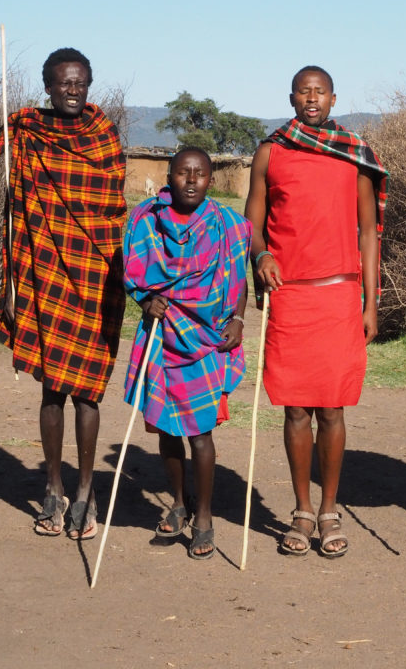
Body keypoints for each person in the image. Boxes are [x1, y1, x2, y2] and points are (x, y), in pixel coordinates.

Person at [0, 48, 126, 540]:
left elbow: (113, 208)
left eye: (81, 82)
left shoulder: (103, 137)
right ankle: (54, 488)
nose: (73, 90)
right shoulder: (29, 132)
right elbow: (9, 203)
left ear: (89, 84)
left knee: (87, 391)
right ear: (47, 86)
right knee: (51, 388)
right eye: (64, 83)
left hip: (95, 276)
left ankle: (86, 492)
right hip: (43, 273)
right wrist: (12, 285)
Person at [243, 65, 386, 558]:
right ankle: (301, 511)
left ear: (333, 98)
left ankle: (329, 510)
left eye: (319, 92)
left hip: (339, 294)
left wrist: (372, 301)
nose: (311, 99)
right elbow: (252, 225)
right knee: (296, 407)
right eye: (303, 92)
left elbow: (369, 233)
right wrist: (261, 256)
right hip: (290, 295)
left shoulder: (354, 155)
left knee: (332, 406)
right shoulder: (271, 152)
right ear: (290, 98)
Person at [122, 147, 250, 560]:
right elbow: (134, 275)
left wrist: (238, 319)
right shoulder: (146, 220)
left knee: (201, 432)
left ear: (211, 179)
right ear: (169, 176)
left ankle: (206, 517)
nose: (191, 181)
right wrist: (146, 302)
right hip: (162, 335)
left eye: (199, 174)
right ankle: (178, 502)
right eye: (182, 173)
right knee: (164, 427)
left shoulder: (227, 224)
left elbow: (238, 278)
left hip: (208, 338)